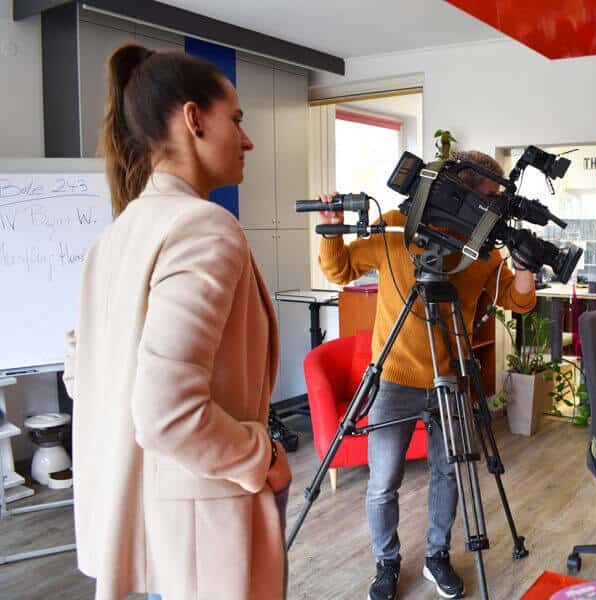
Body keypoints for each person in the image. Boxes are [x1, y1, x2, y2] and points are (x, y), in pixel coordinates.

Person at [62, 44, 291, 600]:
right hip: (199, 536)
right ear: (194, 119)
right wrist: (260, 455)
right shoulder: (203, 227)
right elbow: (166, 412)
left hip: (146, 527)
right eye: (236, 119)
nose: (247, 140)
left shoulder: (114, 237)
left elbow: (80, 374)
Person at [318, 150, 537, 600]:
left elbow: (519, 301)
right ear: (460, 190)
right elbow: (339, 270)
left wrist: (525, 266)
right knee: (383, 483)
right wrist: (331, 226)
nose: (492, 208)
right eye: (488, 197)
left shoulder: (483, 249)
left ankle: (438, 555)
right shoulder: (397, 227)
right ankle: (386, 562)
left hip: (451, 380)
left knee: (449, 475)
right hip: (394, 379)